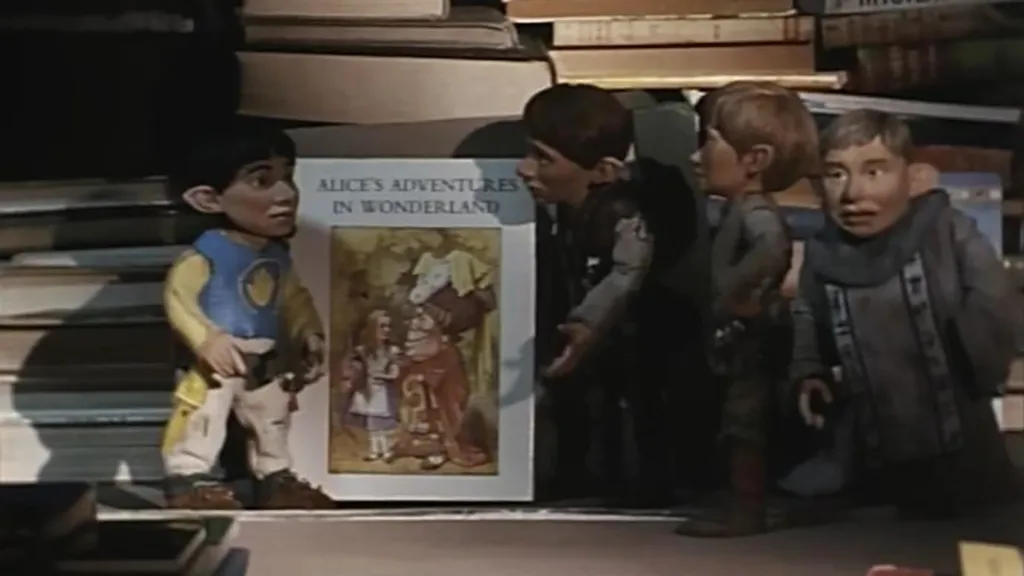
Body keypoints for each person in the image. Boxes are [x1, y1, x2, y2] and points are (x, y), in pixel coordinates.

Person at [791, 109, 1020, 519]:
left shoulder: (946, 230)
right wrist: (809, 368)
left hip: (952, 414)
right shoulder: (823, 253)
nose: (852, 192)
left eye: (874, 172)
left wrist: (981, 355)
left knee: (963, 480)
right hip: (874, 417)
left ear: (913, 178)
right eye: (836, 174)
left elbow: (992, 293)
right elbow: (808, 310)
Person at [160, 124, 334, 509]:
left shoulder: (277, 258)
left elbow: (294, 299)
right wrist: (207, 339)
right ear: (208, 199)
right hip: (216, 362)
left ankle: (275, 478)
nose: (286, 194)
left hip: (266, 358)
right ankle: (189, 479)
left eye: (288, 177)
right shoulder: (205, 257)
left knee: (271, 419)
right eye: (262, 181)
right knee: (203, 418)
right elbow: (178, 298)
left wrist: (309, 334)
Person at [674, 81, 819, 537]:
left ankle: (747, 507)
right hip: (740, 336)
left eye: (708, 143)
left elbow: (772, 248)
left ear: (755, 159)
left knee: (744, 422)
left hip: (754, 338)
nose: (696, 156)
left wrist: (736, 293)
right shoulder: (738, 210)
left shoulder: (756, 213)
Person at [516, 83, 669, 505]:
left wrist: (588, 322)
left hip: (624, 335)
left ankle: (639, 479)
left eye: (543, 158)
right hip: (581, 330)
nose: (524, 169)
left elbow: (629, 269)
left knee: (627, 403)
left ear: (602, 171)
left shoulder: (619, 215)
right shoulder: (565, 212)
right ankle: (577, 472)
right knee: (576, 402)